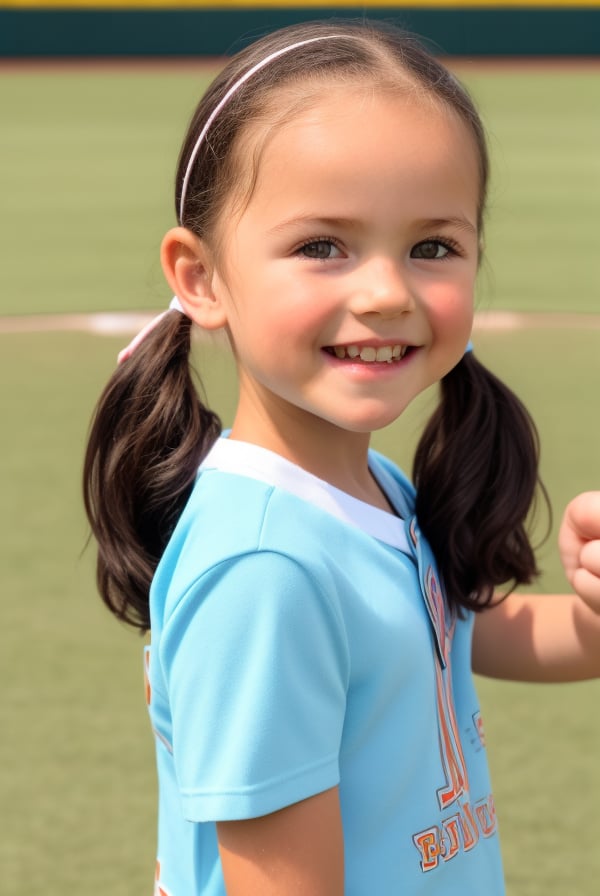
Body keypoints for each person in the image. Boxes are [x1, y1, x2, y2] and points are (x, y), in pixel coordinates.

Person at [83, 20, 600, 896]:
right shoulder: (265, 567)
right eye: (322, 246)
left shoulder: (363, 490)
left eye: (432, 247)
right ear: (200, 276)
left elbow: (437, 635)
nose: (388, 292)